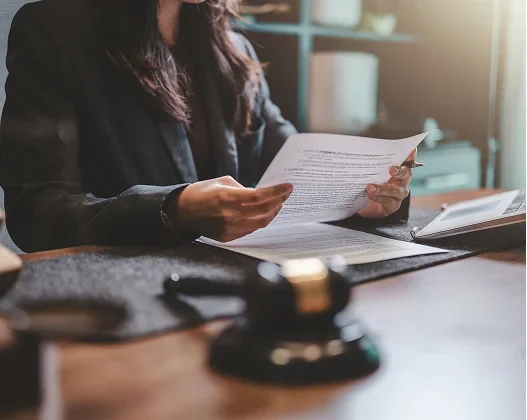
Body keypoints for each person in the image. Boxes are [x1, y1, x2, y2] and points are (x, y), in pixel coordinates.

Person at [0, 0, 415, 253]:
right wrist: (173, 209)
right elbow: (35, 213)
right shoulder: (54, 30)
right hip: (123, 311)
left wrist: (361, 198)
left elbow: (291, 159)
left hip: (234, 296)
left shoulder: (235, 48)